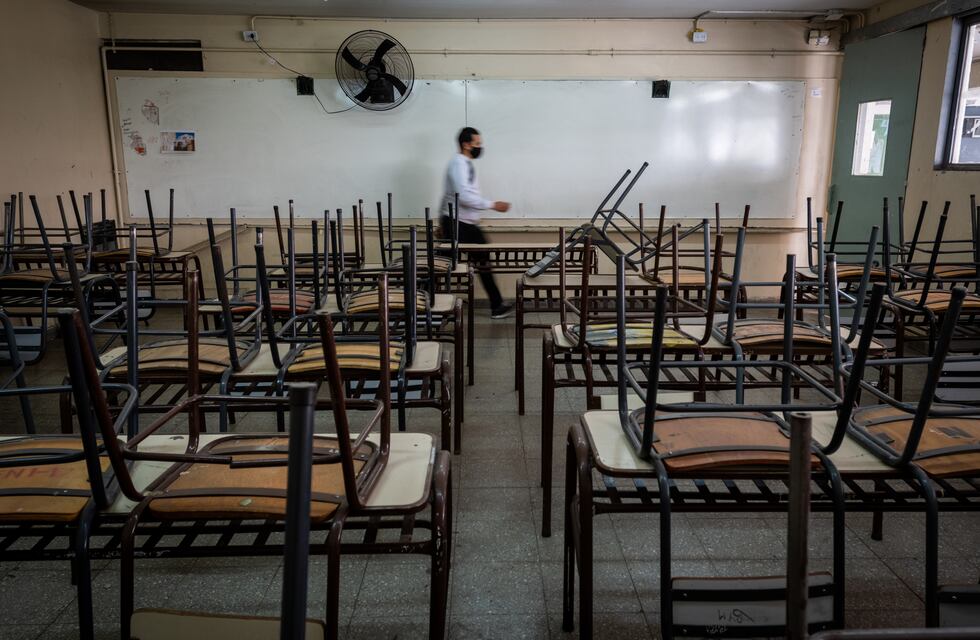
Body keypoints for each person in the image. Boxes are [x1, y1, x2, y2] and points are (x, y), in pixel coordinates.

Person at [441, 127, 514, 319]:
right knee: (443, 266)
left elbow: (461, 195)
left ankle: (496, 305)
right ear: (466, 144)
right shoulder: (459, 164)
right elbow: (462, 196)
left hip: (465, 223)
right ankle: (424, 303)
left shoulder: (465, 163)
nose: (480, 147)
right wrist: (492, 205)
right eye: (477, 144)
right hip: (457, 223)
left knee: (482, 263)